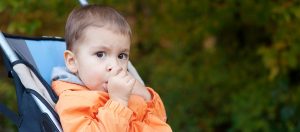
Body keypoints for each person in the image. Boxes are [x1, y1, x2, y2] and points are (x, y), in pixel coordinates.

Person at [51, 5, 172, 132]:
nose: (115, 65)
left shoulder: (125, 88)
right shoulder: (73, 101)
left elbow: (161, 120)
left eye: (121, 56)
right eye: (100, 54)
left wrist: (147, 97)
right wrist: (118, 102)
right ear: (72, 62)